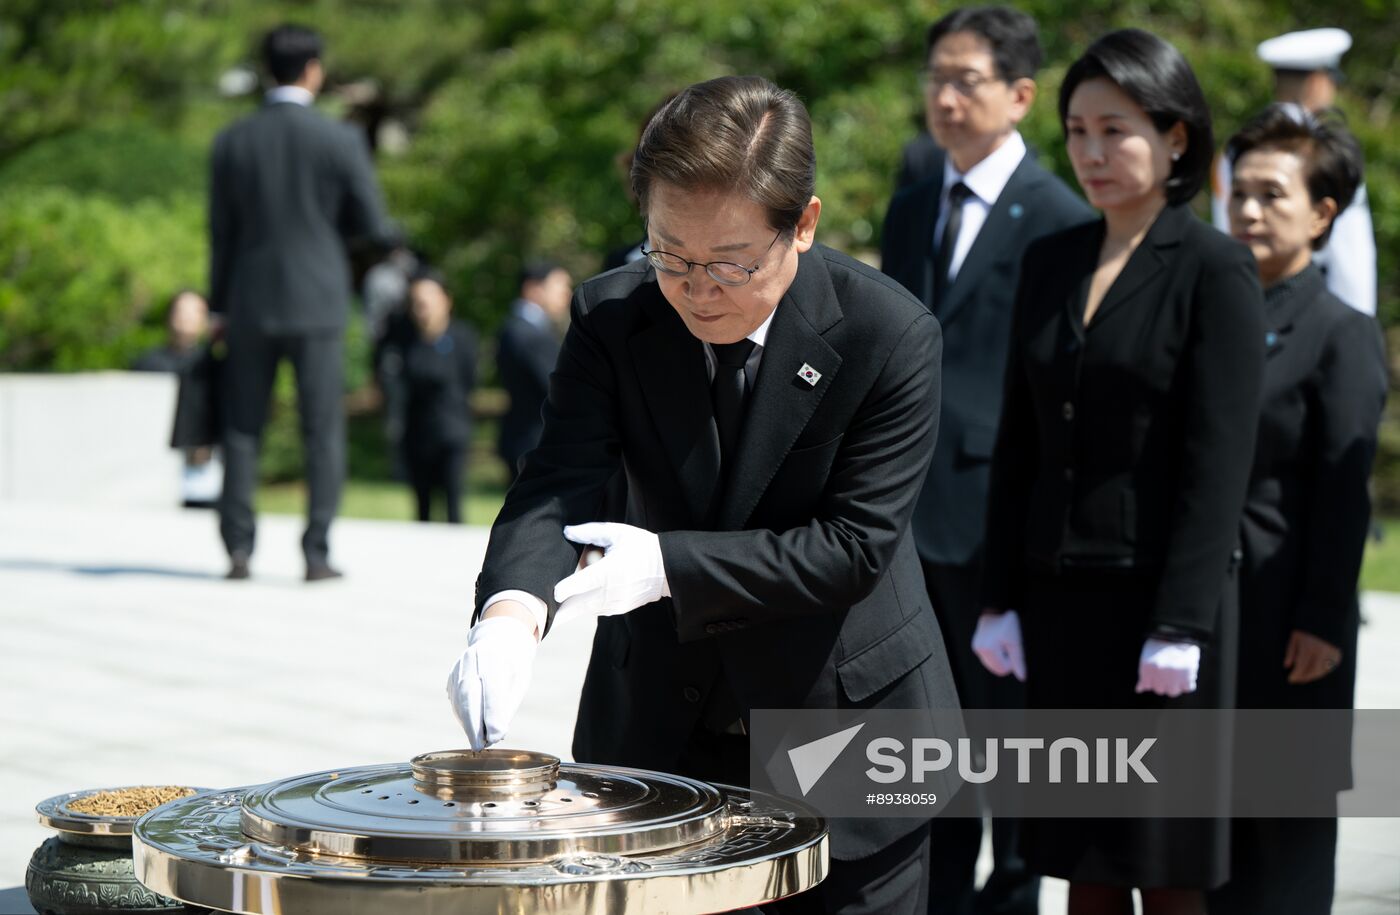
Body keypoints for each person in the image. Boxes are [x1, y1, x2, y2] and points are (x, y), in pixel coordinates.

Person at [447, 75, 960, 915]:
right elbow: (558, 480)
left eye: (729, 262)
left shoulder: (888, 334)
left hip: (844, 723)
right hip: (660, 720)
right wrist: (510, 611)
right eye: (669, 255)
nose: (696, 288)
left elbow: (854, 545)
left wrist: (667, 566)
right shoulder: (614, 317)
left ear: (803, 224)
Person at [975, 29, 1265, 914]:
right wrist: (999, 593)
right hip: (1062, 603)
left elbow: (1219, 462)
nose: (1093, 153)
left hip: (1161, 616)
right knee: (1083, 859)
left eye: (1117, 129)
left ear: (1176, 137)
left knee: (1166, 864)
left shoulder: (1214, 268)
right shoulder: (1052, 260)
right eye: (1077, 131)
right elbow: (1017, 437)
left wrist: (1181, 622)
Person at [880, 8, 1092, 915]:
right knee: (919, 739)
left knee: (1000, 736)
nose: (947, 97)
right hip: (896, 510)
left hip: (993, 514)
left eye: (967, 79)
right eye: (937, 78)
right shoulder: (917, 187)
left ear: (1020, 95)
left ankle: (1006, 895)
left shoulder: (1060, 218)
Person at [1207, 106, 1386, 915]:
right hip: (1208, 621)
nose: (1247, 210)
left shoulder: (1339, 332)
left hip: (1290, 625)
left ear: (1323, 212)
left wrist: (1322, 616)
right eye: (1238, 192)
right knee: (1206, 843)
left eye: (1271, 195)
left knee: (1283, 844)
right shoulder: (1206, 310)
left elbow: (1344, 491)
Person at [209, 24, 397, 582]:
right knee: (322, 428)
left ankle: (238, 551)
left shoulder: (233, 140)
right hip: (316, 297)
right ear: (313, 69)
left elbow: (220, 233)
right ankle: (316, 553)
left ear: (268, 69)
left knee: (242, 427)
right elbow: (371, 223)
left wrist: (219, 306)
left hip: (248, 298)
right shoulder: (338, 140)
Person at [1210, 28, 1376, 316]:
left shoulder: (1235, 149)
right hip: (1313, 310)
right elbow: (1351, 256)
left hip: (1239, 300)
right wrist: (1356, 323)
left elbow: (1224, 231)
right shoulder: (1328, 153)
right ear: (1317, 83)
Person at [380, 269, 479, 523]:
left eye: (429, 299)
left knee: (454, 506)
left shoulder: (463, 338)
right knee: (421, 510)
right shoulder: (401, 340)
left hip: (452, 431)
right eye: (417, 301)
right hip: (417, 433)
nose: (422, 307)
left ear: (446, 300)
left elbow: (469, 380)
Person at [133, 289, 223, 507]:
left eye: (195, 311)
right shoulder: (148, 363)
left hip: (203, 468)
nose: (187, 317)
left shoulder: (214, 366)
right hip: (151, 468)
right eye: (181, 310)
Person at [494, 260, 572, 484]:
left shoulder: (518, 329)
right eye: (559, 286)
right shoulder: (528, 334)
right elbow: (556, 386)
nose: (567, 294)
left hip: (525, 438)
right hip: (533, 441)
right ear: (534, 288)